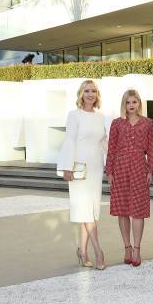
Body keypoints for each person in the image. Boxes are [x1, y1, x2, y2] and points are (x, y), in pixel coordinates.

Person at [57, 79, 107, 270]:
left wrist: (114, 161)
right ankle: (98, 251)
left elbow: (103, 142)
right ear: (81, 94)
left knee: (91, 210)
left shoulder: (100, 116)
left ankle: (82, 251)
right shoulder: (74, 115)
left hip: (95, 167)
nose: (90, 94)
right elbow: (69, 140)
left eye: (93, 91)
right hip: (78, 166)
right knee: (85, 209)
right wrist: (66, 167)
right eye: (87, 91)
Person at [106, 89, 153, 268]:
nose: (131, 105)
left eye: (134, 102)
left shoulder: (148, 123)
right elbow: (111, 149)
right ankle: (126, 247)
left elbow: (150, 148)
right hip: (120, 169)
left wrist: (150, 171)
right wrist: (109, 172)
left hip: (139, 168)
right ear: (123, 105)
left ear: (139, 103)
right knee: (123, 210)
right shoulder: (116, 123)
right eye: (128, 102)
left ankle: (137, 249)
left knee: (138, 210)